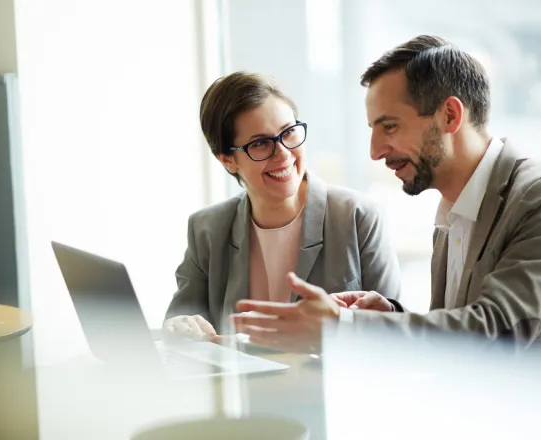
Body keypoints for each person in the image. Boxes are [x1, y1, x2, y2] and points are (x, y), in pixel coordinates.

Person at [231, 35, 541, 355]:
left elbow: (498, 335)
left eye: (389, 126)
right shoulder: (454, 206)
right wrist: (389, 318)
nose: (375, 150)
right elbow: (460, 335)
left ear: (450, 116)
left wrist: (344, 328)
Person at [164, 71, 402, 340]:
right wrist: (181, 327)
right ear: (227, 160)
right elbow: (180, 319)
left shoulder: (358, 216)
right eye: (261, 143)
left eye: (288, 133)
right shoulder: (206, 229)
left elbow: (394, 332)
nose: (284, 154)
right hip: (242, 381)